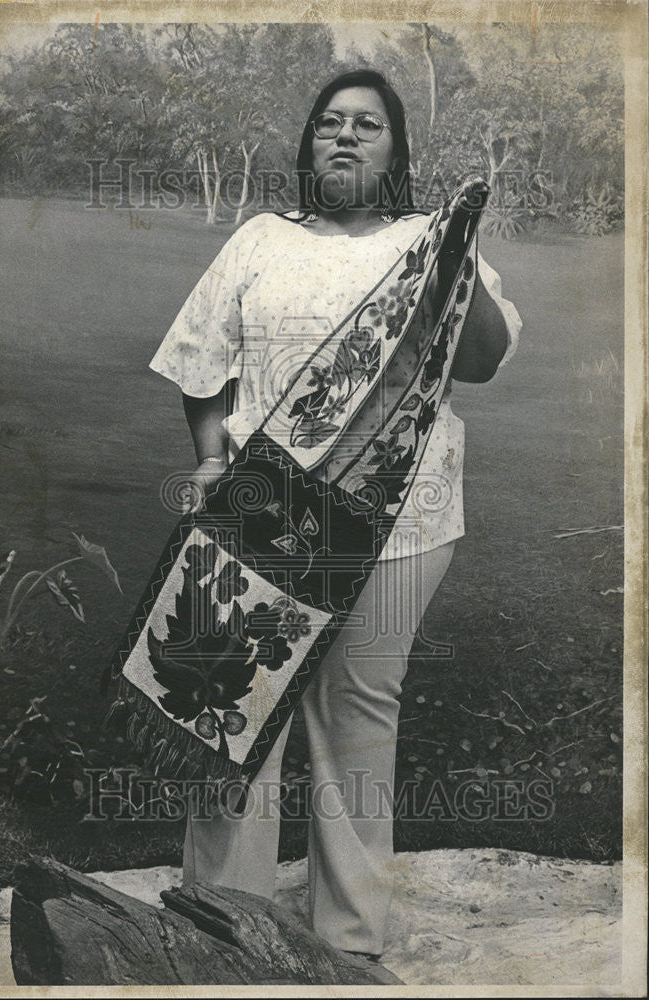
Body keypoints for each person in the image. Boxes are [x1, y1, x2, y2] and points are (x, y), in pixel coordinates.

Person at [149, 69, 521, 960]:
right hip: (263, 503)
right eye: (329, 124)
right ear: (309, 144)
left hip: (400, 510)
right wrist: (210, 461)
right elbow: (205, 361)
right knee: (229, 712)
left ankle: (346, 945)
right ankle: (222, 931)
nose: (345, 137)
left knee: (355, 715)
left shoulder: (428, 241)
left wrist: (454, 258)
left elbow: (480, 360)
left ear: (396, 149)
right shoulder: (260, 239)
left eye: (367, 125)